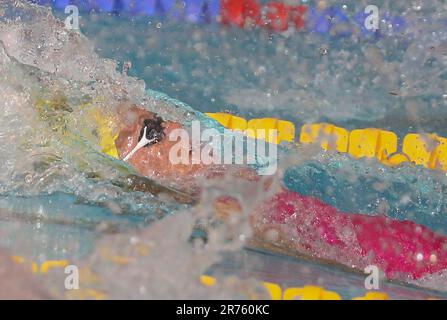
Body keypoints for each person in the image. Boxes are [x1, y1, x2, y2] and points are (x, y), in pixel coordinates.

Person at [114, 105, 447, 281]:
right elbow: (275, 237)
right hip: (380, 253)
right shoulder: (211, 195)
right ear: (148, 166)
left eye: (161, 119)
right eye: (154, 132)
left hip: (376, 238)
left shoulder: (216, 174)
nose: (173, 127)